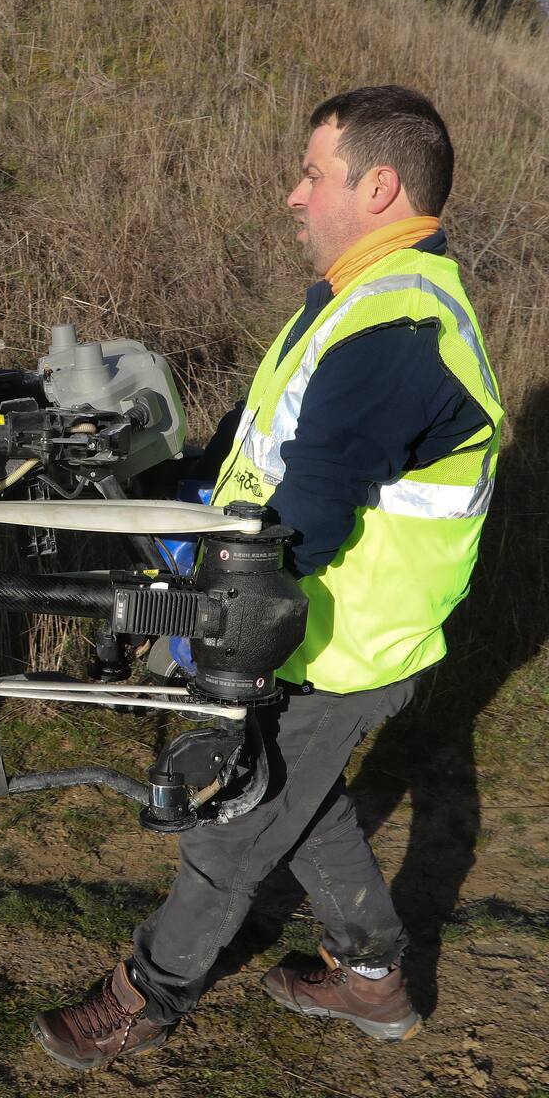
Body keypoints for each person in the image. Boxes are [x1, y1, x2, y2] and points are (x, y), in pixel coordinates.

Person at [33, 86, 503, 1070]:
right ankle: (374, 977)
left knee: (233, 820)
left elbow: (314, 511)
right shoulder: (356, 304)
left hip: (342, 637)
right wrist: (177, 498)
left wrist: (200, 612)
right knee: (305, 799)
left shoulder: (397, 329)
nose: (294, 196)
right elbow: (265, 454)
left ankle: (146, 994)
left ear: (378, 185)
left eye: (312, 173)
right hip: (315, 625)